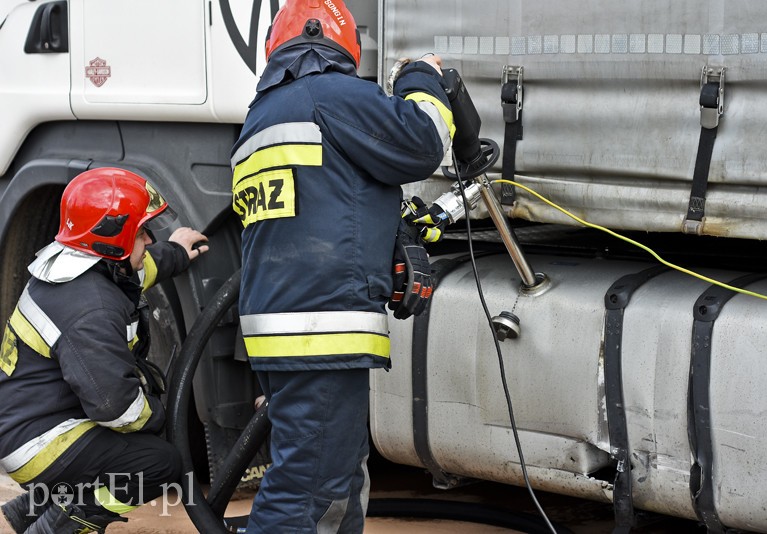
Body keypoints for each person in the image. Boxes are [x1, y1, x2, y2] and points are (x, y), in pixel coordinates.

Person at [229, 0, 454, 531]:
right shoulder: (332, 95)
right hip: (321, 331)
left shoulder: (260, 117)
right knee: (308, 493)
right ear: (340, 45)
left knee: (334, 481)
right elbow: (421, 142)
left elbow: (323, 204)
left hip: (282, 331)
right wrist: (421, 76)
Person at [0, 167, 209, 533]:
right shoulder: (90, 307)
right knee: (156, 461)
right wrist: (161, 418)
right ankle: (55, 527)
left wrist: (177, 251)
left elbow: (139, 271)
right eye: (141, 233)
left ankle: (31, 510)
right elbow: (116, 408)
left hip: (31, 424)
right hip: (39, 442)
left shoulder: (83, 264)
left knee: (133, 436)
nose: (147, 241)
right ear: (115, 242)